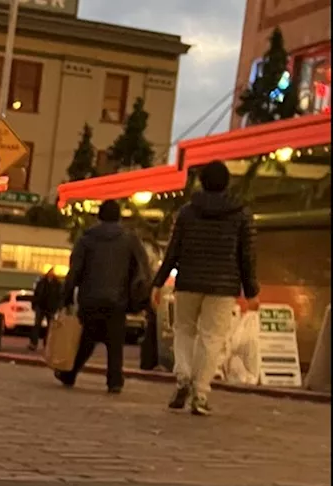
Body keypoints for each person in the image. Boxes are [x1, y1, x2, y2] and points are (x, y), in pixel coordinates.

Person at [150, 160, 259, 416]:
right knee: (212, 338)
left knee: (184, 330)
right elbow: (247, 256)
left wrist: (158, 282)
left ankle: (183, 375)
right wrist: (250, 290)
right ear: (226, 183)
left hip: (188, 281)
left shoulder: (188, 212)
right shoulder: (242, 214)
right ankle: (200, 393)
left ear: (202, 182)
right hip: (223, 286)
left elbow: (173, 251)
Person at [56, 199, 150, 394]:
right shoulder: (129, 239)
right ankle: (114, 379)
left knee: (87, 338)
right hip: (118, 299)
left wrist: (66, 296)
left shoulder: (86, 239)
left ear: (99, 216)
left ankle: (70, 372)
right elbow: (141, 268)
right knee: (115, 341)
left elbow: (75, 271)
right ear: (118, 216)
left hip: (90, 297)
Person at [29, 268, 64, 350]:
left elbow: (59, 296)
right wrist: (34, 304)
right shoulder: (41, 282)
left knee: (49, 327)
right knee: (37, 325)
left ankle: (47, 344)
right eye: (50, 272)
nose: (50, 273)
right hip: (41, 306)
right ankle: (33, 343)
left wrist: (58, 307)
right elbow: (36, 294)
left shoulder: (57, 284)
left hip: (50, 307)